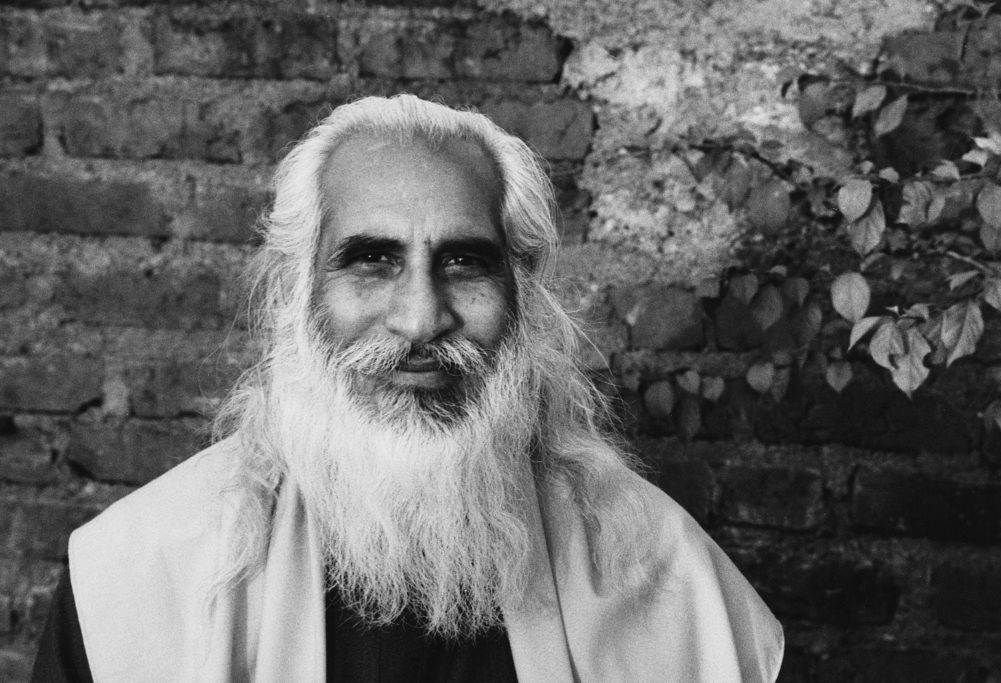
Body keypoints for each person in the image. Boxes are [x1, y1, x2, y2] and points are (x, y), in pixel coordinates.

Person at [32, 95, 784, 682]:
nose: (422, 318)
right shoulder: (140, 573)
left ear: (524, 298)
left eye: (464, 262)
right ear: (298, 295)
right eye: (371, 260)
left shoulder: (661, 571)